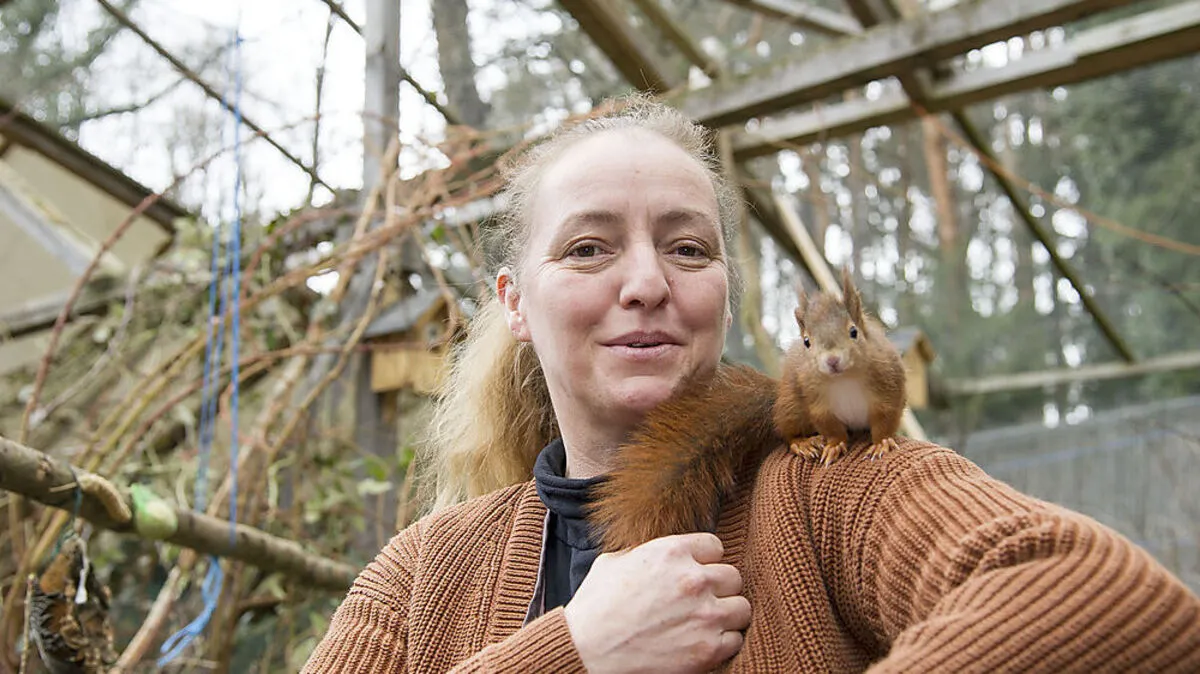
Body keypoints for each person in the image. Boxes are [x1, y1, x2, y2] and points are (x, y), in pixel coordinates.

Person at [302, 97, 1200, 673]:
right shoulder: (424, 576)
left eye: (688, 247)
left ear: (722, 293)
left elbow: (1103, 596)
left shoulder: (832, 484)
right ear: (517, 303)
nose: (648, 281)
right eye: (589, 247)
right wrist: (573, 650)